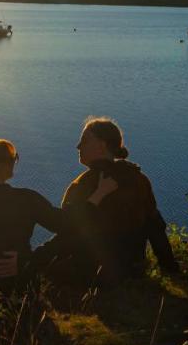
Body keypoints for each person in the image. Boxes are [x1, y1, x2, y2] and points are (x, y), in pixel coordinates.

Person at [0, 138, 114, 300]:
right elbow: (68, 225)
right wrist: (98, 195)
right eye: (13, 159)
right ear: (1, 167)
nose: (15, 162)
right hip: (19, 291)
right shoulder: (26, 199)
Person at [64, 117, 181, 282]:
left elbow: (65, 226)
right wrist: (170, 267)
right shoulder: (139, 179)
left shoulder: (83, 184)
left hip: (94, 273)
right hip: (133, 270)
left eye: (84, 141)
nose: (78, 146)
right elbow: (155, 226)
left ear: (101, 146)